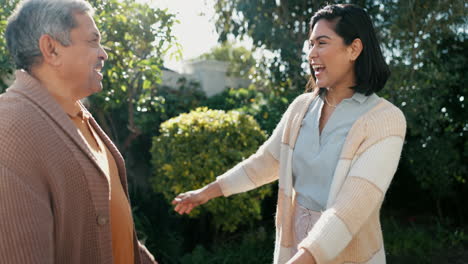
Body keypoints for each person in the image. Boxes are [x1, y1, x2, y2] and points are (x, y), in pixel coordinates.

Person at [172, 4, 406, 264]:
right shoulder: (301, 108)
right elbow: (266, 162)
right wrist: (206, 192)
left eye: (322, 43)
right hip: (295, 251)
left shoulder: (385, 120)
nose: (312, 54)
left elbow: (352, 208)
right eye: (311, 44)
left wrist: (303, 259)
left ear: (354, 48)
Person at [0, 0, 157, 263]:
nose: (103, 54)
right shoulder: (10, 129)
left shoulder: (77, 117)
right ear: (51, 49)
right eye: (93, 40)